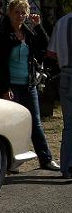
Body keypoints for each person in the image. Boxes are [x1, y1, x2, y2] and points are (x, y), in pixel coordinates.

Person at [0, 0, 59, 171]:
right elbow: (0, 64)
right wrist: (4, 88)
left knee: (35, 123)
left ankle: (46, 159)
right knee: (12, 124)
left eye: (23, 13)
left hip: (29, 84)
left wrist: (38, 26)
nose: (20, 16)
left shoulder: (28, 33)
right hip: (11, 85)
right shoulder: (3, 35)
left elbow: (45, 46)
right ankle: (12, 162)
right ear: (9, 13)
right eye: (17, 12)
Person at [47, 10, 72, 177]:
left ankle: (66, 166)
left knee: (68, 124)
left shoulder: (62, 21)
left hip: (65, 74)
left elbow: (51, 53)